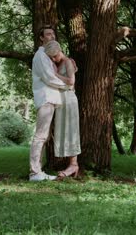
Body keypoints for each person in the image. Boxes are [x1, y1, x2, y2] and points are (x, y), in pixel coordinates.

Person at [29, 26, 69, 182]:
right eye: (48, 34)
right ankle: (34, 173)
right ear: (41, 38)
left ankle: (38, 171)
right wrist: (67, 85)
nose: (51, 36)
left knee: (44, 136)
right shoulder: (40, 56)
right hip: (45, 98)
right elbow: (49, 78)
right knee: (40, 136)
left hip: (50, 99)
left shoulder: (47, 56)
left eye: (53, 33)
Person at [43, 40, 81, 178]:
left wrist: (55, 75)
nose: (54, 59)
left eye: (54, 56)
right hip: (61, 100)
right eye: (51, 57)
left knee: (71, 131)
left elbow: (71, 81)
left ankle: (74, 165)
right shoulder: (59, 63)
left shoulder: (68, 62)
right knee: (63, 131)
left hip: (69, 99)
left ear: (59, 51)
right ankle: (70, 164)